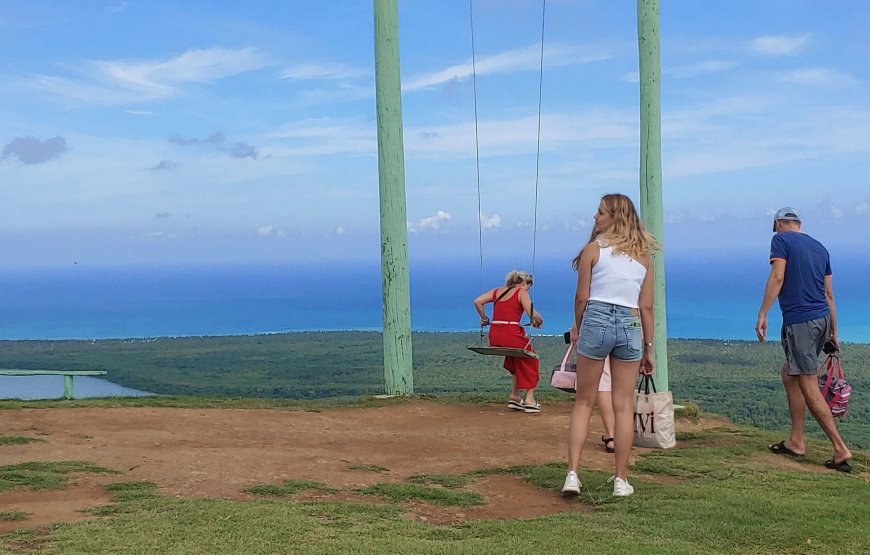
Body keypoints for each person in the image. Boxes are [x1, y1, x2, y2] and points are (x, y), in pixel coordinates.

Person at [562, 194, 658, 497]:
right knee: (623, 406)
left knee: (583, 402)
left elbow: (582, 297)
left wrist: (579, 328)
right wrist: (648, 348)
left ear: (614, 217)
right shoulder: (643, 258)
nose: (595, 217)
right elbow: (646, 308)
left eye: (600, 212)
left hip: (596, 319)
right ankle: (620, 480)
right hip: (630, 324)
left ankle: (573, 474)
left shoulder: (593, 250)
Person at [756, 207, 852, 472]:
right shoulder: (820, 247)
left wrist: (763, 313)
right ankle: (796, 441)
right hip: (822, 319)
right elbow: (829, 294)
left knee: (808, 383)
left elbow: (778, 276)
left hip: (800, 322)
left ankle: (840, 449)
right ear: (799, 223)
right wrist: (833, 332)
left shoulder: (780, 240)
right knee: (790, 373)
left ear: (778, 223)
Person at [473, 270, 544, 413]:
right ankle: (530, 399)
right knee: (532, 359)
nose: (527, 290)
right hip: (511, 334)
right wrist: (539, 321)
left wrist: (484, 318)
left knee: (514, 358)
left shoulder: (497, 291)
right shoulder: (520, 292)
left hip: (495, 335)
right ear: (523, 283)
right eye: (527, 287)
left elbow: (477, 301)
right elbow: (530, 311)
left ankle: (515, 396)